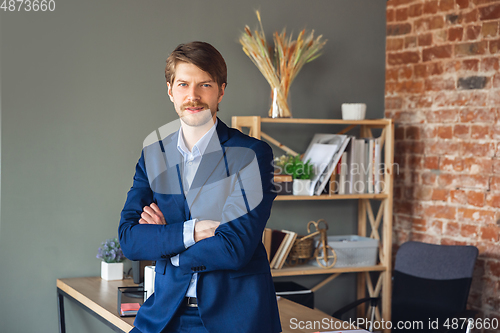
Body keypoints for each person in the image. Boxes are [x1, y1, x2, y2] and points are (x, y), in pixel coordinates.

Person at [118, 41, 281, 333]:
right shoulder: (154, 155)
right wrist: (194, 231)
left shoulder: (252, 155)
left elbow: (234, 248)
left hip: (233, 317)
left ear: (221, 90)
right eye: (183, 84)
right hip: (165, 311)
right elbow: (130, 240)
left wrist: (165, 243)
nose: (192, 96)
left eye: (204, 84)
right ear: (170, 91)